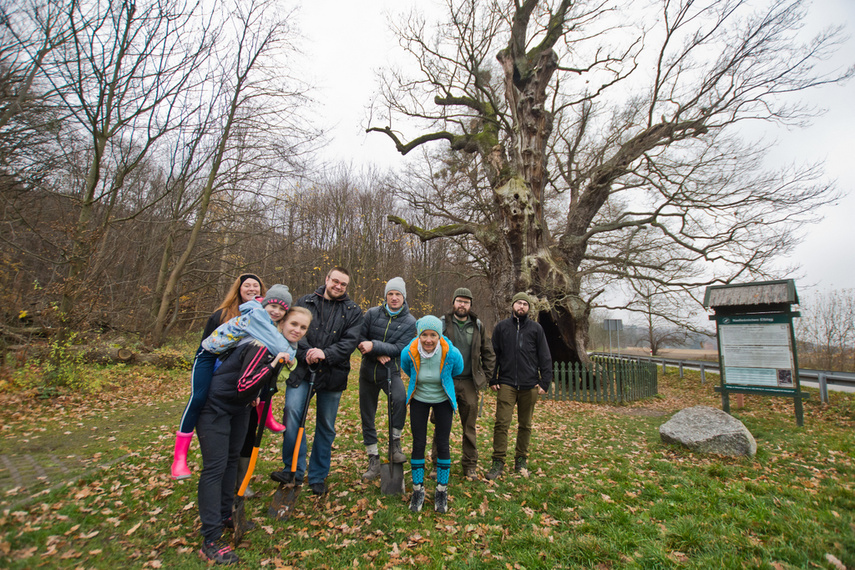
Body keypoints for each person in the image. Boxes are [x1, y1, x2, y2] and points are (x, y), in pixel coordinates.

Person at [196, 300, 310, 565]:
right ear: (280, 324)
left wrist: (259, 394)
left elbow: (251, 387)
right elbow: (244, 382)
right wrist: (271, 368)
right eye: (293, 324)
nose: (297, 330)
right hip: (216, 407)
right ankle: (210, 539)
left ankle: (225, 516)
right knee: (215, 467)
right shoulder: (261, 345)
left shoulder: (279, 348)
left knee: (230, 461)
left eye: (303, 327)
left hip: (239, 408)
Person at [172, 274, 287, 480]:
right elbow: (209, 344)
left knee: (261, 379)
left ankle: (264, 418)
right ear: (238, 289)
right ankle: (179, 457)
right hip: (210, 358)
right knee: (198, 398)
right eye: (247, 285)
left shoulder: (268, 315)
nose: (252, 288)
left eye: (256, 285)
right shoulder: (224, 314)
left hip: (236, 365)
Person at [271, 267, 364, 496]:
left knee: (326, 425)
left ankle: (318, 475)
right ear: (327, 279)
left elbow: (350, 341)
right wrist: (308, 353)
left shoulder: (352, 310)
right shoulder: (305, 302)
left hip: (333, 373)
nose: (338, 286)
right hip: (302, 370)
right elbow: (292, 331)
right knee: (293, 414)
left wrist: (325, 354)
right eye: (335, 281)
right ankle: (293, 468)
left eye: (343, 284)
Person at [485, 292, 552, 481]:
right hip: (506, 383)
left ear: (529, 308)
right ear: (513, 306)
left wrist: (544, 382)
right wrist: (493, 379)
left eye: (525, 304)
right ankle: (498, 461)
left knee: (525, 425)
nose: (521, 307)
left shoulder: (536, 329)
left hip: (530, 385)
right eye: (518, 303)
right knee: (501, 423)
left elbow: (545, 356)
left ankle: (520, 460)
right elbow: (494, 355)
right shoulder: (501, 328)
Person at [401, 316, 463, 513]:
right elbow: (406, 367)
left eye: (433, 335)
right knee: (418, 442)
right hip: (419, 398)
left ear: (439, 335)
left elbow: (458, 369)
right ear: (419, 335)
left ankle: (441, 490)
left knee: (443, 442)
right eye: (424, 335)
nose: (428, 340)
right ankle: (418, 489)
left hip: (442, 399)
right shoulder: (409, 351)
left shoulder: (451, 353)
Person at [358, 277, 417, 481]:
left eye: (398, 294)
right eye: (390, 294)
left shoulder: (410, 322)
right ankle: (373, 457)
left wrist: (374, 347)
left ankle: (395, 444)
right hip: (367, 371)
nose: (394, 298)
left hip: (390, 372)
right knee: (368, 414)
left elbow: (401, 348)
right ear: (385, 296)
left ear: (403, 297)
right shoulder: (372, 314)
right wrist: (375, 352)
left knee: (400, 399)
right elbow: (359, 338)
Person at [435, 287, 496, 480]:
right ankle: (437, 464)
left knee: (469, 427)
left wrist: (484, 377)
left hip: (469, 383)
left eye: (466, 302)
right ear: (453, 302)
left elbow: (489, 353)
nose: (462, 305)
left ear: (470, 305)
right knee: (441, 425)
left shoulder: (477, 325)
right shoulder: (442, 323)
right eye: (459, 301)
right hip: (446, 382)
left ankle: (470, 465)